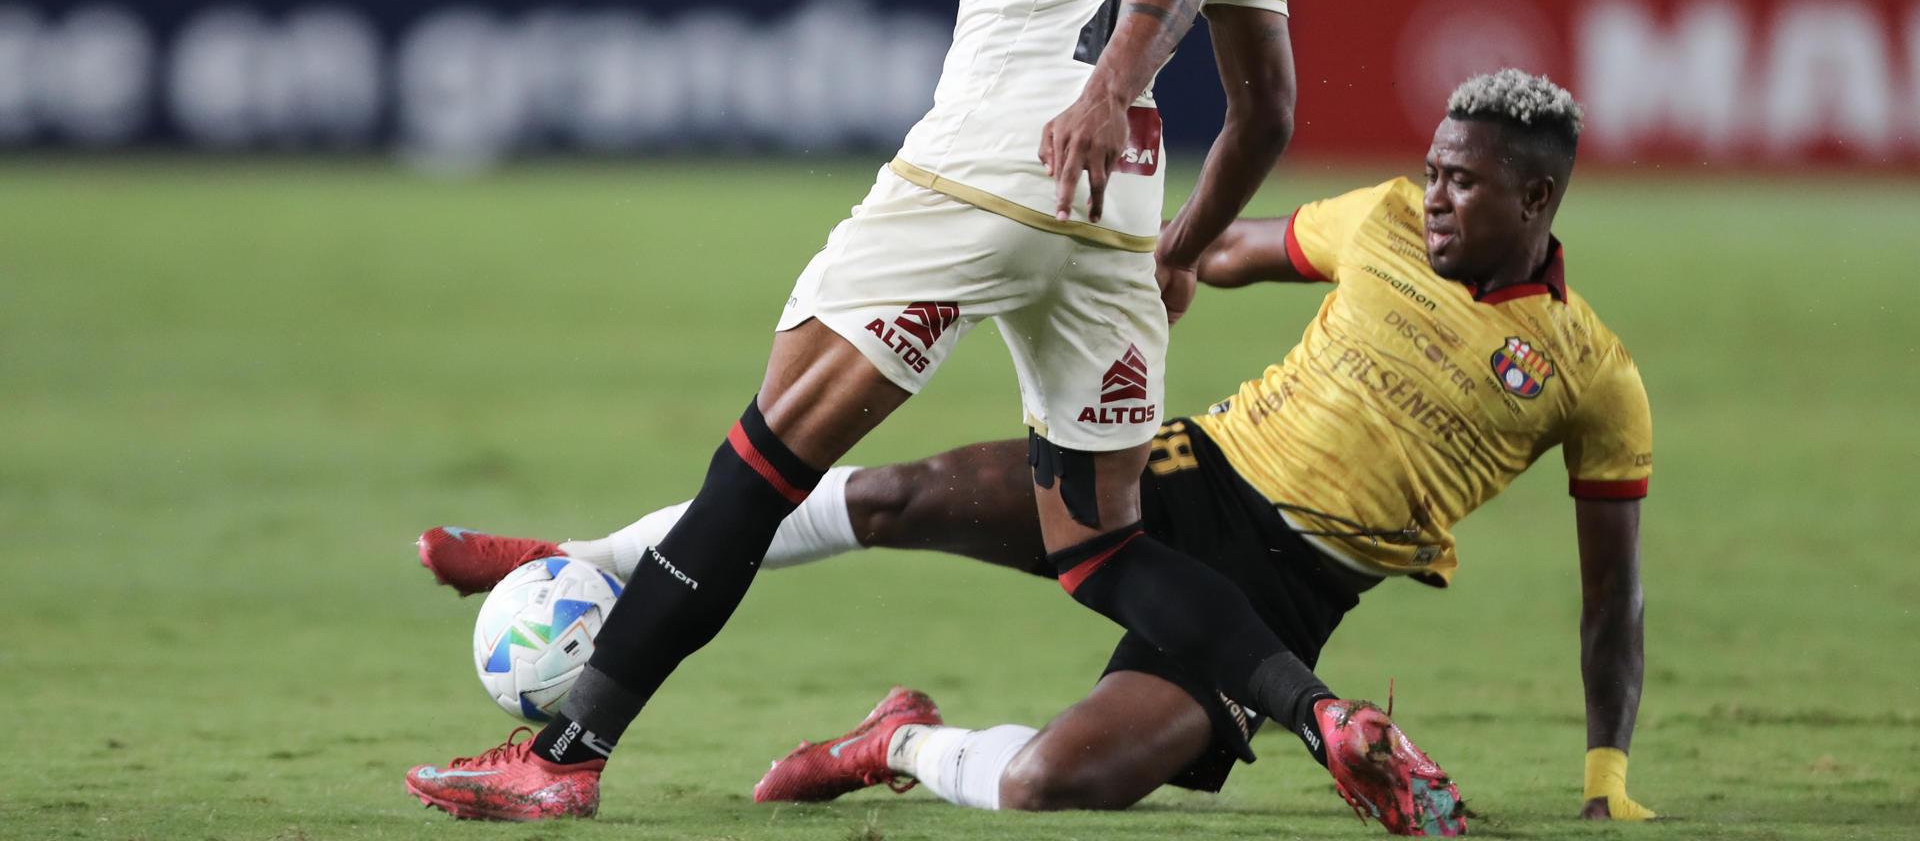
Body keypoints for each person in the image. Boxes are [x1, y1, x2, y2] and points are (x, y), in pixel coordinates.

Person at [404, 0, 1462, 837]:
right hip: (1114, 210)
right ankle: (1325, 716)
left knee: (762, 463)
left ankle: (565, 755)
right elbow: (1267, 110)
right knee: (1101, 547)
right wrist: (1176, 246)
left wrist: (1104, 88)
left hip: (994, 160)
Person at [423, 71, 1653, 827]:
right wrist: (1169, 261)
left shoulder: (1594, 375)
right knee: (893, 492)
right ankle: (576, 557)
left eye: (1463, 184)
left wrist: (1604, 773)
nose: (1434, 197)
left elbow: (1614, 600)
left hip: (1296, 588)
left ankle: (893, 740)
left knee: (1052, 784)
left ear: (1537, 201)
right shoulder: (1377, 218)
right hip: (1191, 472)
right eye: (1434, 172)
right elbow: (1236, 246)